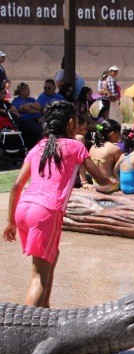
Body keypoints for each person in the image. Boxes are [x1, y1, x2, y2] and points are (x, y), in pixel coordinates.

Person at [3, 100, 114, 307]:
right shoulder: (75, 146)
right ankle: (28, 329)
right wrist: (112, 181)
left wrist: (10, 222)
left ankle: (45, 315)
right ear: (71, 122)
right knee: (39, 276)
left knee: (50, 259)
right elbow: (101, 179)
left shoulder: (39, 147)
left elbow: (18, 184)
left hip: (24, 208)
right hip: (45, 211)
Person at [89, 119, 122, 191]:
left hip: (96, 184)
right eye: (119, 133)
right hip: (110, 185)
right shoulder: (115, 149)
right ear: (113, 134)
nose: (120, 136)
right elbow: (118, 169)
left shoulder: (93, 147)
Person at [12, 82, 43, 150]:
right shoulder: (17, 101)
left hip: (37, 119)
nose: (29, 91)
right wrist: (35, 109)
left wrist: (31, 104)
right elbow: (26, 109)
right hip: (26, 121)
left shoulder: (31, 99)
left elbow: (39, 107)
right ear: (22, 91)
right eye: (28, 90)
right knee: (38, 130)